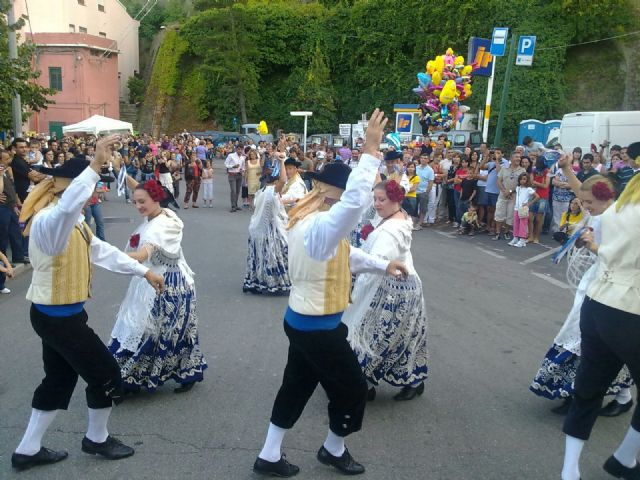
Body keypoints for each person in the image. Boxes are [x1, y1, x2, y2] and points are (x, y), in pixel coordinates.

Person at [253, 109, 408, 478]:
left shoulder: (311, 220)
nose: (359, 199)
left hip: (305, 321)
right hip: (316, 326)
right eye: (347, 192)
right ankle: (332, 449)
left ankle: (269, 455)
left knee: (297, 386)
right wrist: (370, 149)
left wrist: (381, 265)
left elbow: (344, 253)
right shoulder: (320, 222)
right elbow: (354, 206)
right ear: (333, 193)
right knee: (352, 389)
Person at [11, 137, 165, 471]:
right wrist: (95, 165)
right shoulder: (52, 221)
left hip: (60, 315)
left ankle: (27, 450)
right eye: (90, 188)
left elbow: (101, 251)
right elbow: (68, 209)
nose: (95, 195)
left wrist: (143, 272)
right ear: (73, 188)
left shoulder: (74, 221)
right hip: (57, 318)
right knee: (107, 374)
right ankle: (96, 440)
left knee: (58, 380)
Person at [558, 145, 640, 480]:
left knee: (587, 390)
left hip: (597, 304)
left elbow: (588, 197)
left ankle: (570, 470)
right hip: (631, 308)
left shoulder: (620, 208)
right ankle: (624, 458)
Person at [531, 175, 632, 415]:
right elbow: (584, 192)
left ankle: (606, 395)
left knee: (592, 338)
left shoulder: (620, 219)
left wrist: (594, 246)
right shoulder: (600, 212)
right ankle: (576, 391)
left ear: (606, 198)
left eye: (588, 203)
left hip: (613, 286)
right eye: (583, 202)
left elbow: (621, 257)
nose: (585, 206)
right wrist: (566, 168)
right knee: (583, 334)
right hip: (596, 282)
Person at [108, 178, 206, 394]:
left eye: (142, 202)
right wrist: (117, 169)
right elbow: (141, 190)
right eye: (135, 202)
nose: (138, 206)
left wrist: (107, 254)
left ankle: (130, 379)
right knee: (155, 331)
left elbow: (143, 255)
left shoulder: (158, 227)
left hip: (166, 286)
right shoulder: (164, 213)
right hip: (153, 280)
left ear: (155, 198)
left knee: (159, 331)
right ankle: (128, 377)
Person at [343, 179, 428, 401]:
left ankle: (364, 383)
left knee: (372, 336)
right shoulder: (393, 218)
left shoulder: (391, 230)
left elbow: (375, 261)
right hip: (395, 286)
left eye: (382, 200)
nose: (377, 204)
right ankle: (403, 381)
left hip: (394, 291)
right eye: (375, 199)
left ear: (396, 200)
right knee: (395, 337)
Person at [243, 155, 290, 295]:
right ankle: (273, 283)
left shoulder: (260, 192)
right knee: (274, 256)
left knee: (259, 258)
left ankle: (256, 282)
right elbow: (283, 180)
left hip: (257, 230)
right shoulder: (270, 192)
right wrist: (282, 162)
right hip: (268, 230)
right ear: (274, 182)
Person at [493, 153, 525, 240]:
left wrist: (510, 191)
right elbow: (499, 181)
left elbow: (522, 184)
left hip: (514, 196)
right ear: (511, 158)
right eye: (516, 157)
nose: (519, 159)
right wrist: (504, 191)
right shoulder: (504, 168)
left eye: (519, 157)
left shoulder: (522, 170)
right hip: (503, 195)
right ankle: (498, 232)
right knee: (499, 213)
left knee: (510, 215)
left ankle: (506, 231)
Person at [509, 173, 539, 248]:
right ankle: (515, 238)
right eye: (521, 179)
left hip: (523, 209)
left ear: (527, 180)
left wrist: (528, 204)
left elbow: (537, 197)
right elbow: (512, 191)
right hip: (516, 208)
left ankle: (522, 239)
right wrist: (510, 193)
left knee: (523, 224)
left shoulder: (529, 189)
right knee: (516, 223)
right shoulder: (518, 188)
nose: (522, 181)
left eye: (524, 179)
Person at [415, 155, 435, 229]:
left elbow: (430, 182)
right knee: (414, 208)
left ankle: (420, 223)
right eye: (422, 158)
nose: (423, 159)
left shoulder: (430, 170)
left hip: (423, 192)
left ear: (428, 160)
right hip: (414, 191)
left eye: (425, 158)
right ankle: (414, 222)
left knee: (423, 208)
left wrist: (427, 192)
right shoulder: (416, 168)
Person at [225, 145, 246, 212]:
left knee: (237, 191)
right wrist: (232, 166)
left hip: (239, 175)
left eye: (241, 149)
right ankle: (233, 206)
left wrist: (242, 170)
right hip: (232, 174)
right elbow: (226, 164)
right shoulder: (231, 155)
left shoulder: (242, 157)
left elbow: (243, 166)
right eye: (238, 149)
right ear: (236, 149)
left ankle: (236, 204)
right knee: (233, 191)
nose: (240, 150)